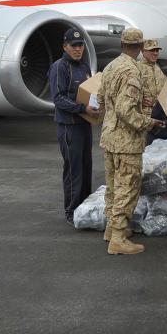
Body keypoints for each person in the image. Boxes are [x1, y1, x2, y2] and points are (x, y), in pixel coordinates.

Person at [97, 27, 165, 255]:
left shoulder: (110, 66)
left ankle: (111, 229)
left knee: (113, 186)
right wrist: (149, 122)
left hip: (109, 136)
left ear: (122, 44)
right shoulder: (131, 71)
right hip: (127, 141)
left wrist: (111, 119)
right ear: (139, 47)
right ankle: (118, 238)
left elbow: (100, 100)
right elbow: (126, 110)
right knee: (128, 187)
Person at [48, 28, 101, 226]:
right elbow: (58, 98)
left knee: (86, 167)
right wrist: (83, 108)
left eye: (80, 46)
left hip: (84, 124)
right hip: (69, 126)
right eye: (73, 46)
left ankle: (84, 208)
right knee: (74, 169)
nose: (78, 49)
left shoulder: (84, 67)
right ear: (65, 46)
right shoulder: (59, 67)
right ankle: (71, 211)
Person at [139, 39, 167, 144]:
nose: (155, 53)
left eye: (157, 50)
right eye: (152, 50)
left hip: (160, 117)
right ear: (143, 51)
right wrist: (139, 100)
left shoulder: (157, 69)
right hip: (145, 119)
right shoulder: (137, 69)